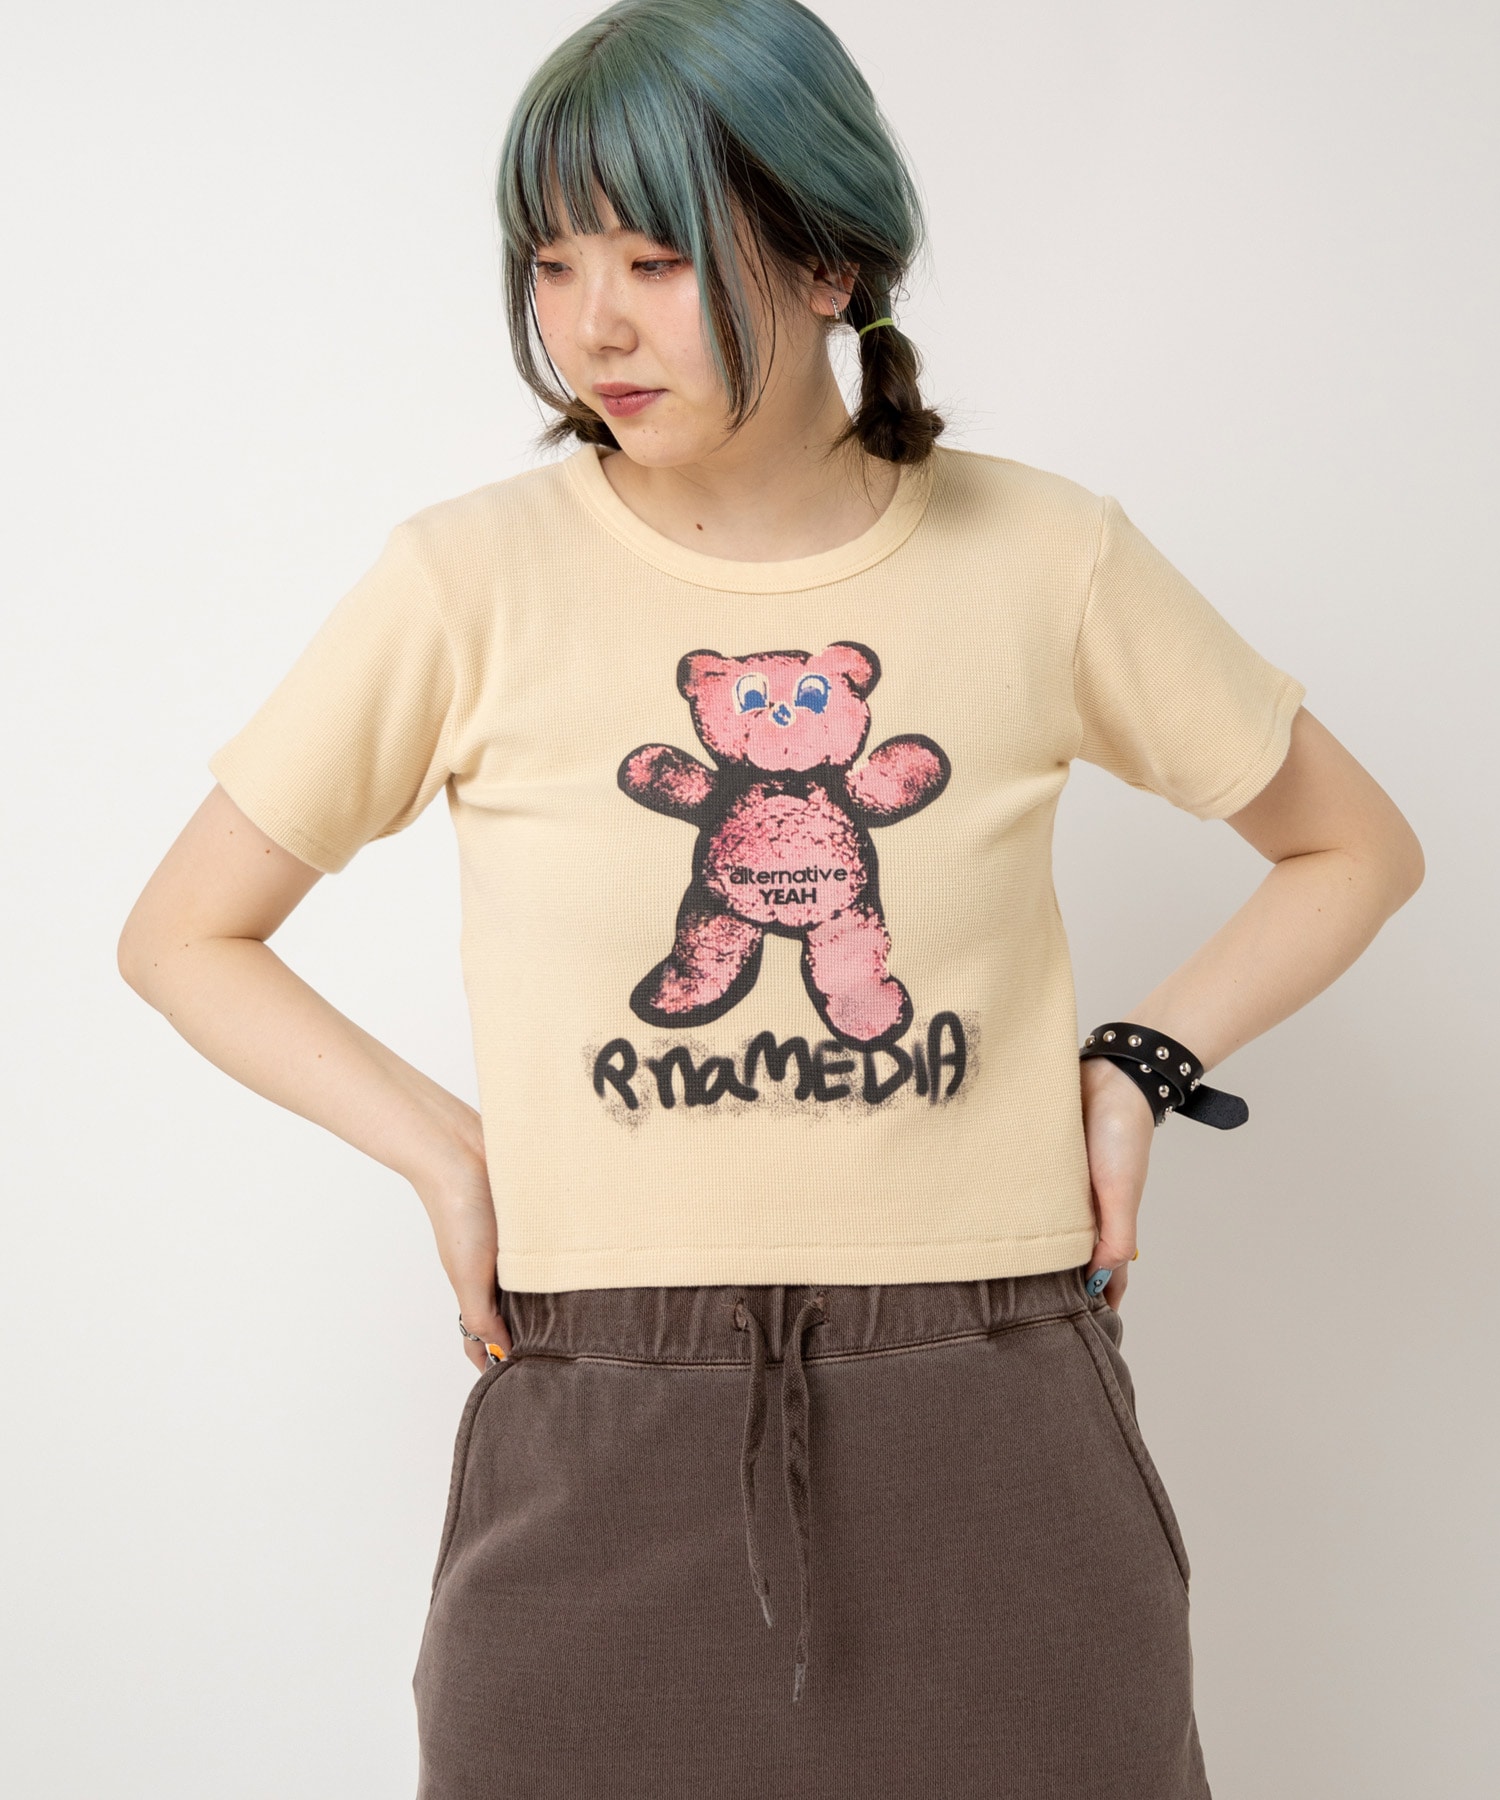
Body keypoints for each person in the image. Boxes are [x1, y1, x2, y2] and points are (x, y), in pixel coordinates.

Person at [116, 1, 1424, 1794]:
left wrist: (1135, 1066)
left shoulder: (1045, 555)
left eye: (655, 260)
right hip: (598, 1409)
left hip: (995, 1403)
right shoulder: (466, 582)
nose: (592, 322)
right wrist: (450, 1155)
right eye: (553, 261)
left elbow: (1354, 844)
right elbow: (184, 933)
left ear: (828, 262)